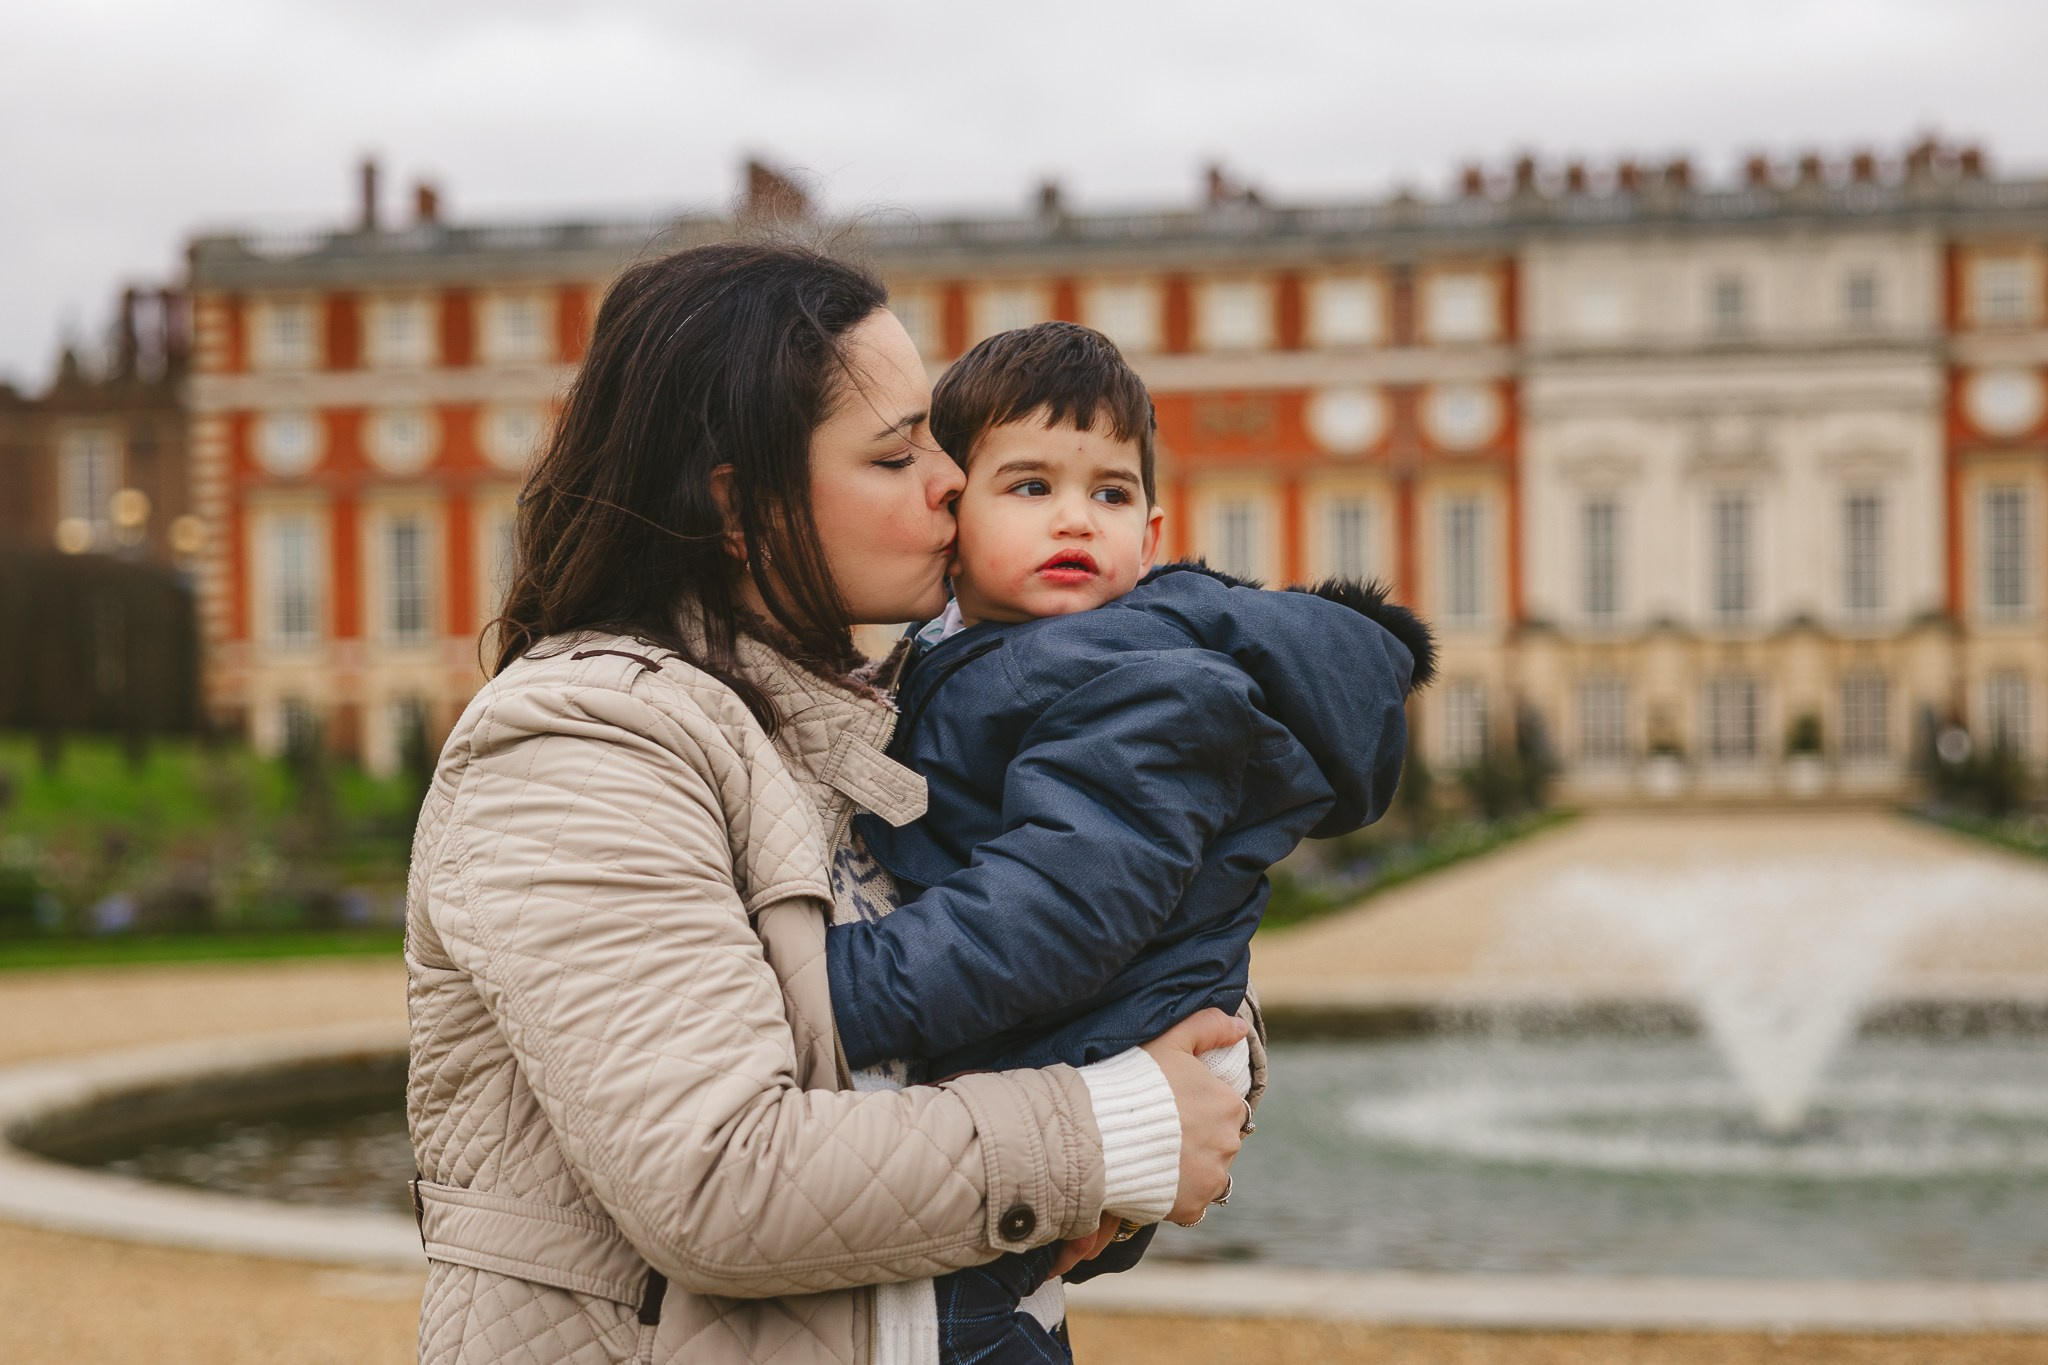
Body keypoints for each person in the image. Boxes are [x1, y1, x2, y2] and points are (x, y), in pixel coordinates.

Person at [404, 243, 1251, 1365]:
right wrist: (1110, 1130)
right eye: (898, 453)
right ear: (742, 508)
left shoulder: (868, 715)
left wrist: (1193, 1073)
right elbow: (716, 1178)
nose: (954, 479)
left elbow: (1092, 933)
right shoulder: (577, 747)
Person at [827, 322, 1434, 1361]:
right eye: (1029, 487)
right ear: (949, 514)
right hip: (1060, 1061)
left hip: (1090, 1043)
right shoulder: (972, 656)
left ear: (1149, 534)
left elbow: (1051, 917)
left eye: (1108, 494)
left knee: (965, 1320)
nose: (1075, 518)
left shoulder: (1134, 683)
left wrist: (830, 984)